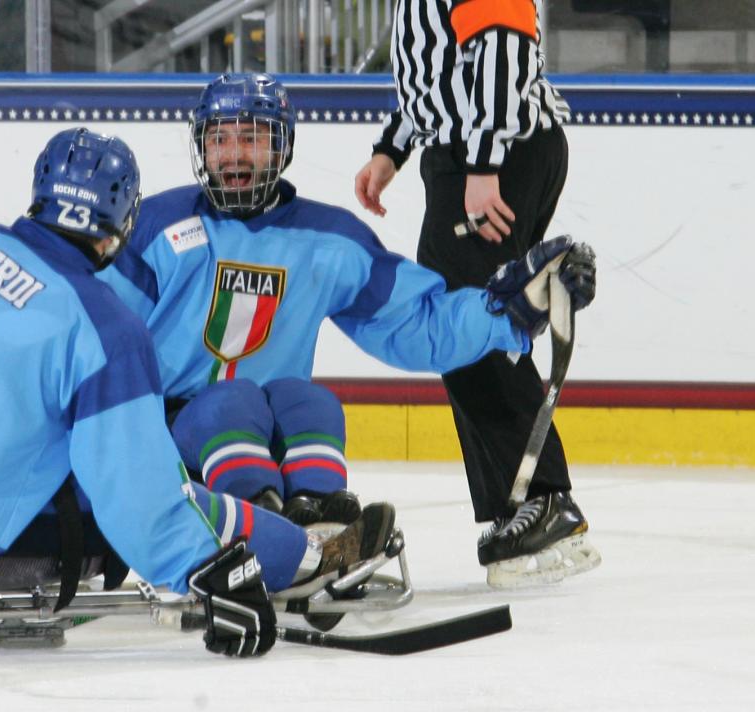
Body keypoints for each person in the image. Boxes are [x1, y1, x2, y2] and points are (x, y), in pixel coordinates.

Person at [0, 127, 398, 658]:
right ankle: (306, 553)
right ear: (122, 226)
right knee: (171, 491)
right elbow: (140, 509)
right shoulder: (106, 327)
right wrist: (215, 569)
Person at [98, 72, 597, 587]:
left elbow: (417, 324)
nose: (234, 155)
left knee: (309, 402)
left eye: (252, 137)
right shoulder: (154, 225)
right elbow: (95, 335)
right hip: (167, 439)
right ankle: (257, 534)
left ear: (282, 146)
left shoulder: (328, 240)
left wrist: (507, 310)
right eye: (219, 138)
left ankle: (319, 530)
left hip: (260, 435)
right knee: (233, 402)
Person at [352, 1, 601, 587]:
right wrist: (394, 146)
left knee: (460, 324)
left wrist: (482, 161)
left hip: (492, 153)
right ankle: (522, 504)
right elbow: (439, 68)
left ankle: (542, 498)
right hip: (483, 150)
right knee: (475, 321)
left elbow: (502, 45)